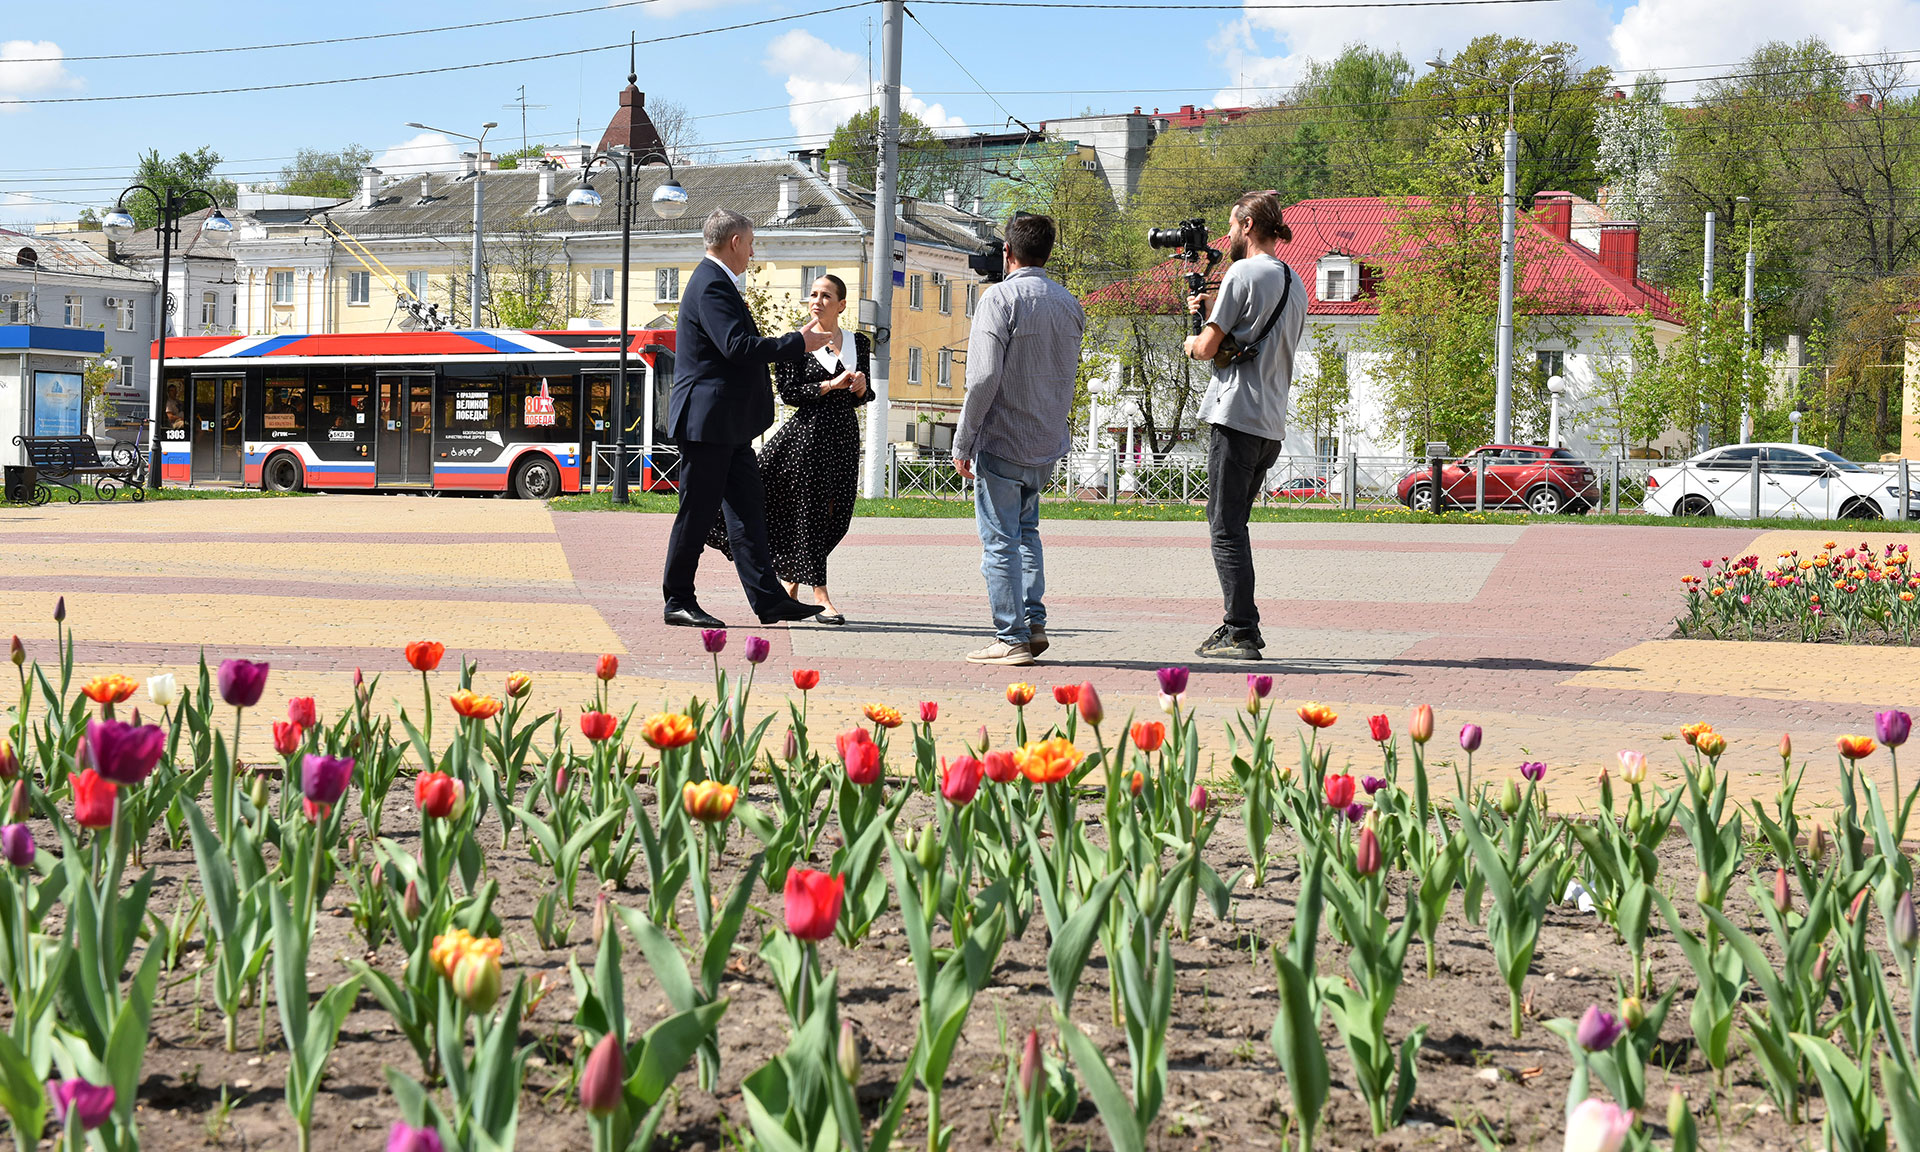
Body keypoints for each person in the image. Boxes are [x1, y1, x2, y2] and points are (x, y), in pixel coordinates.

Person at [661, 207, 832, 629]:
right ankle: (678, 600)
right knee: (696, 514)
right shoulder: (711, 284)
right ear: (735, 242)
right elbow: (736, 346)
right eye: (751, 244)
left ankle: (769, 600)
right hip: (708, 424)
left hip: (727, 425)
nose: (753, 253)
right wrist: (797, 344)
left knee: (748, 513)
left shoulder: (717, 282)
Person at [952, 214, 1086, 666]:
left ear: (1007, 251)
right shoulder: (1069, 303)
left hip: (1003, 438)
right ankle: (1033, 622)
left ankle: (1010, 637)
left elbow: (983, 376)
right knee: (1028, 533)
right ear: (1047, 252)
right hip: (1046, 441)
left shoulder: (999, 298)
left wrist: (963, 440)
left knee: (1000, 541)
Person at [1182, 190, 1308, 661]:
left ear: (1249, 225)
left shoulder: (1242, 272)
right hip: (1270, 424)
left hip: (1236, 416)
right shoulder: (1294, 280)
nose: (1229, 234)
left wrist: (1193, 339)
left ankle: (1240, 631)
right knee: (1235, 524)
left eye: (1233, 225)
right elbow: (1255, 328)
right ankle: (1241, 625)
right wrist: (1215, 305)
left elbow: (1207, 349)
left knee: (1224, 526)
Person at [707, 274, 871, 623]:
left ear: (841, 305)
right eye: (813, 294)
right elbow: (789, 392)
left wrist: (860, 388)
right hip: (807, 438)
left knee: (839, 515)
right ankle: (821, 597)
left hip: (843, 437)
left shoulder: (859, 342)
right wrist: (829, 385)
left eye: (826, 295)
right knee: (811, 513)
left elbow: (863, 396)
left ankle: (791, 584)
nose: (817, 301)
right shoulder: (795, 342)